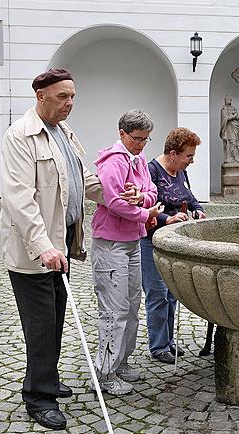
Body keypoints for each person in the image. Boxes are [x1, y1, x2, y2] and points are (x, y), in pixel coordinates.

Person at [0, 68, 105, 430]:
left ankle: (47, 377)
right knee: (40, 325)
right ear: (41, 96)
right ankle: (38, 397)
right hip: (35, 253)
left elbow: (82, 179)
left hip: (61, 246)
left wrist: (115, 194)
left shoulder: (65, 134)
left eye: (73, 97)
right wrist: (42, 246)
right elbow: (19, 199)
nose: (69, 103)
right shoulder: (20, 136)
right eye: (62, 97)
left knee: (57, 318)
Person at [89, 110, 163, 395]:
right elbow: (115, 201)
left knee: (132, 305)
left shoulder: (139, 159)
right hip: (111, 243)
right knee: (114, 309)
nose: (142, 144)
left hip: (132, 241)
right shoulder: (114, 162)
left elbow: (152, 191)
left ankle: (121, 361)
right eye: (137, 139)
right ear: (122, 133)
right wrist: (145, 212)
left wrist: (142, 198)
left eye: (146, 139)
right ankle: (104, 372)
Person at [142, 128, 205, 363]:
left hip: (173, 242)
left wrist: (197, 208)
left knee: (171, 294)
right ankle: (158, 346)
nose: (192, 160)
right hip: (150, 240)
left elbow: (188, 196)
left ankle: (168, 340)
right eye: (188, 155)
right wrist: (166, 219)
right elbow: (144, 205)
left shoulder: (180, 172)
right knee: (157, 293)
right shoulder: (151, 171)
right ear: (173, 153)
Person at [219, 95, 239, 164]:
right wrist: (232, 116)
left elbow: (237, 117)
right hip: (228, 129)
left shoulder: (233, 108)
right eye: (227, 99)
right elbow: (224, 119)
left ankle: (236, 158)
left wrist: (234, 116)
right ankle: (229, 158)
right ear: (225, 100)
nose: (228, 100)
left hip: (235, 127)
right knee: (230, 143)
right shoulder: (223, 109)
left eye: (229, 99)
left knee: (235, 143)